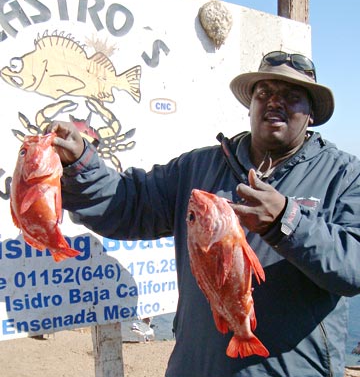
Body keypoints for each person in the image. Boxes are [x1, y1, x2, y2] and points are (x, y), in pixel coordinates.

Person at [47, 50, 360, 377]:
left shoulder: (346, 175)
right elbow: (126, 203)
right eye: (264, 93)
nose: (275, 102)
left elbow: (354, 266)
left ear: (310, 113)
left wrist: (287, 222)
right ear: (250, 105)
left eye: (292, 96)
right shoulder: (196, 168)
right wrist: (81, 163)